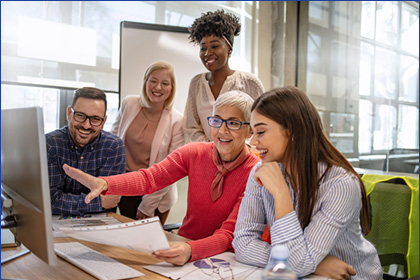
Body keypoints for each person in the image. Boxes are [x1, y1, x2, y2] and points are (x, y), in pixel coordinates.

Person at [62, 90, 260, 266]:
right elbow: (149, 179)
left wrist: (191, 250)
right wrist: (106, 183)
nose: (222, 130)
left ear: (250, 129)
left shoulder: (255, 172)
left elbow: (228, 235)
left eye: (233, 123)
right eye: (217, 120)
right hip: (184, 246)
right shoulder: (194, 153)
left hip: (225, 259)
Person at [232, 86, 383, 279]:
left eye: (260, 132)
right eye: (252, 132)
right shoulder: (261, 171)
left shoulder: (341, 184)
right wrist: (315, 264)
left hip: (352, 276)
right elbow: (242, 244)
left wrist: (280, 193)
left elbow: (298, 264)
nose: (252, 141)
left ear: (293, 131)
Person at [111, 61, 184, 222]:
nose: (158, 87)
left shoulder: (177, 121)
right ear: (145, 81)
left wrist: (148, 204)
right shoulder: (129, 103)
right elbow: (112, 142)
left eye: (165, 83)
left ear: (171, 88)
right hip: (126, 185)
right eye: (153, 81)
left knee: (148, 245)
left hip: (157, 194)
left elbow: (171, 170)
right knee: (124, 242)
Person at [183, 9, 265, 143]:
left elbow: (261, 125)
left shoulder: (250, 83)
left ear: (230, 50)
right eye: (203, 48)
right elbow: (190, 127)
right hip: (206, 158)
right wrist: (213, 150)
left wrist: (233, 151)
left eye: (214, 46)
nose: (207, 53)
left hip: (243, 158)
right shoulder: (196, 83)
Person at [46, 87, 126, 216]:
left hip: (98, 227)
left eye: (95, 119)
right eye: (80, 116)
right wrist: (98, 202)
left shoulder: (113, 147)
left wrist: (67, 202)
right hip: (55, 226)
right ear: (69, 113)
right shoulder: (50, 145)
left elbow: (110, 201)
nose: (86, 125)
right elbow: (50, 201)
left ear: (104, 121)